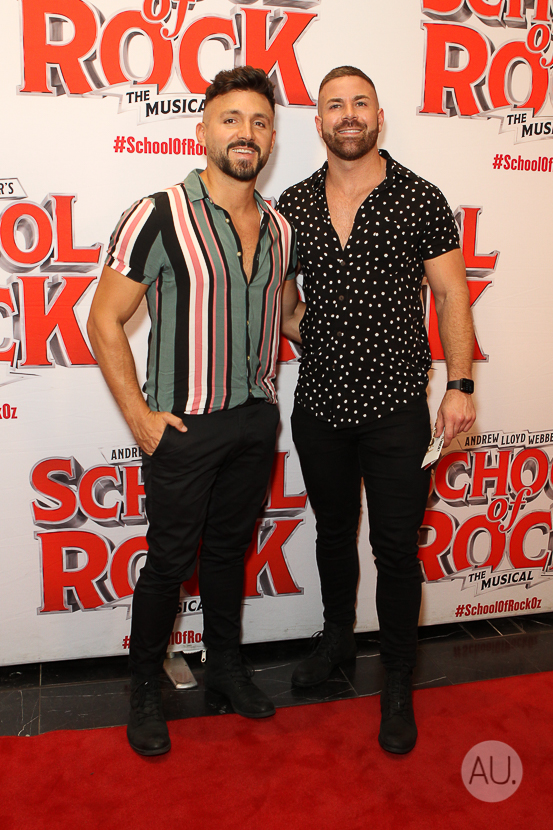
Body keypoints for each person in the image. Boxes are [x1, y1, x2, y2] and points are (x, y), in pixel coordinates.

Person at [87, 66, 296, 756]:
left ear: (271, 138)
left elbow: (284, 315)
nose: (246, 133)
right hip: (183, 425)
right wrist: (140, 417)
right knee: (171, 561)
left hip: (255, 418)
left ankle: (226, 669)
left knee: (230, 552)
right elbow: (103, 320)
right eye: (231, 119)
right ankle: (144, 687)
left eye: (259, 122)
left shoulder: (280, 227)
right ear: (203, 130)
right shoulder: (158, 213)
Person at [278, 66, 476, 754]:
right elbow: (282, 302)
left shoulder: (419, 197)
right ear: (319, 123)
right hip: (320, 406)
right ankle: (336, 642)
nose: (349, 115)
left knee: (395, 550)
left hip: (397, 411)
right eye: (335, 105)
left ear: (379, 116)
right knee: (332, 534)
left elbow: (450, 295)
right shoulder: (294, 204)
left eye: (360, 103)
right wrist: (317, 332)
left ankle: (397, 679)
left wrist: (459, 384)